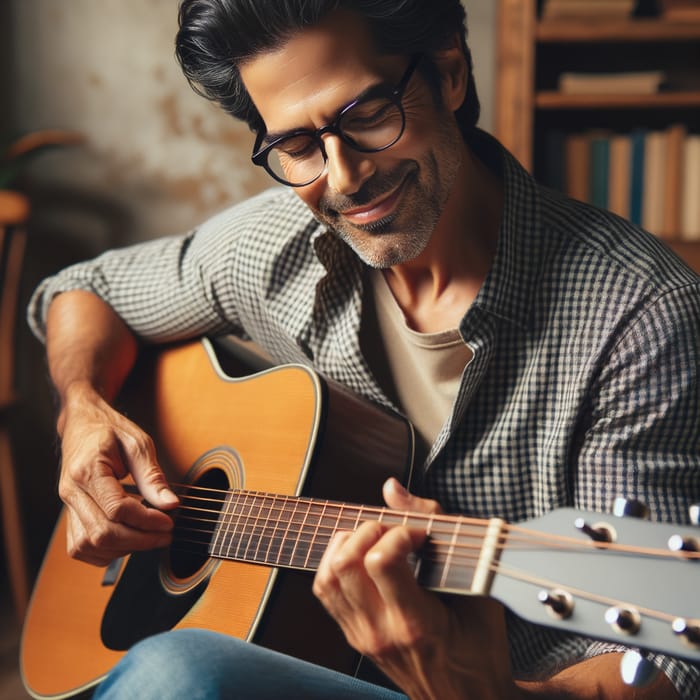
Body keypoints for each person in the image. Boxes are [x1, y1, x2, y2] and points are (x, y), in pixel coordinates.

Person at [26, 1, 700, 698]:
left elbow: (666, 666)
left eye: (368, 114)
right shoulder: (273, 246)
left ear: (450, 74)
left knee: (176, 674)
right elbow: (84, 291)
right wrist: (82, 408)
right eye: (296, 146)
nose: (344, 177)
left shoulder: (640, 320)